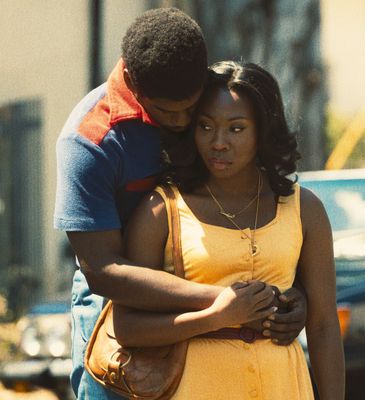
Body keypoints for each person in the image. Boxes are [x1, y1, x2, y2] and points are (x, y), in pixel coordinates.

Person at [54, 8, 307, 399]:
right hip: (119, 315)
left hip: (223, 309)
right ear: (135, 86)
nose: (185, 121)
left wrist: (289, 299)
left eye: (194, 112)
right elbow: (103, 271)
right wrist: (228, 301)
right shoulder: (88, 142)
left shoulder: (201, 91)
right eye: (169, 113)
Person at [113, 61, 345, 399]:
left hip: (284, 387)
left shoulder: (303, 208)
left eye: (236, 129)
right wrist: (214, 317)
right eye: (205, 126)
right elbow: (127, 327)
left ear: (262, 131)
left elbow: (324, 326)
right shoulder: (161, 210)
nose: (218, 142)